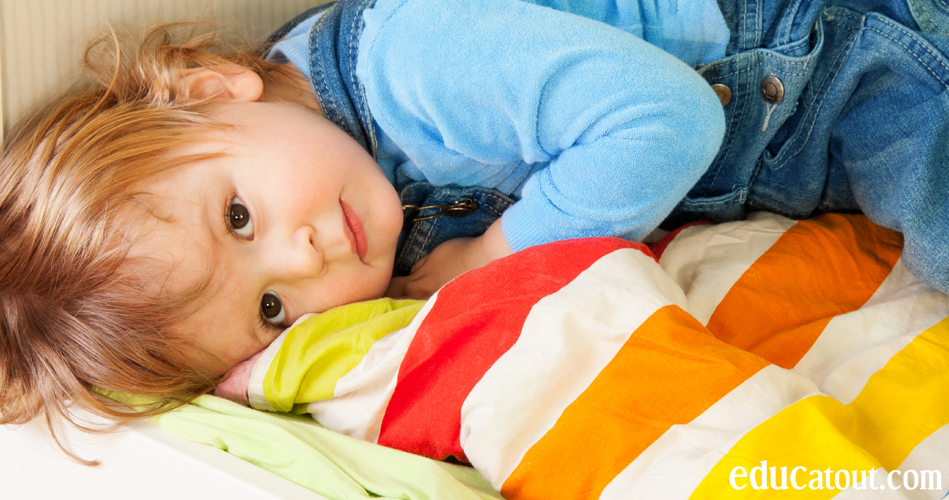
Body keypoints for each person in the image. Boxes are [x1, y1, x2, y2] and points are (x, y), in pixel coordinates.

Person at [1, 0, 948, 451]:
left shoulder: (414, 62)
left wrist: (500, 251)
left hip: (859, 54)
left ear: (209, 91)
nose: (305, 252)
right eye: (274, 306)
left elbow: (668, 120)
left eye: (239, 217)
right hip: (821, 151)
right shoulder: (340, 181)